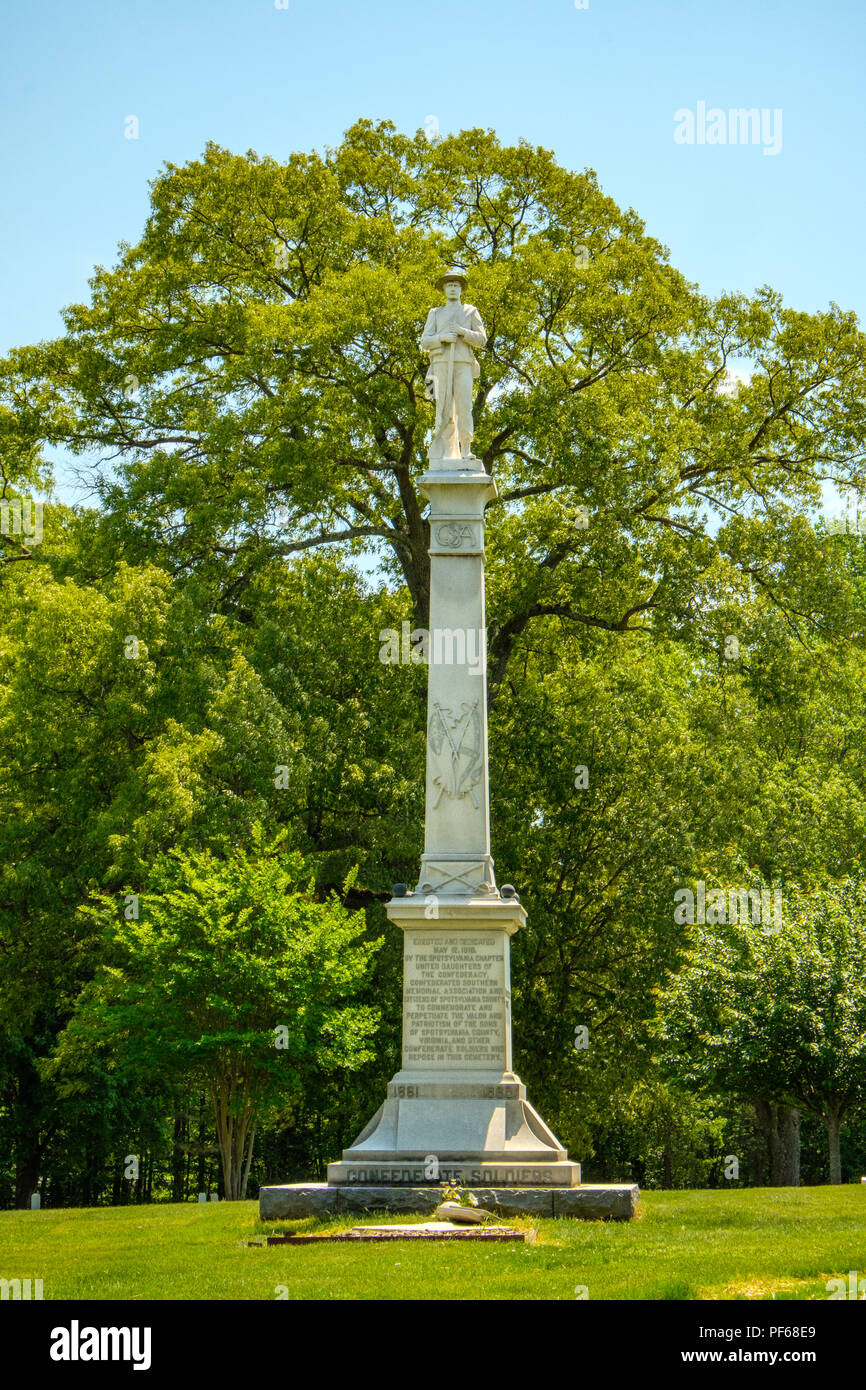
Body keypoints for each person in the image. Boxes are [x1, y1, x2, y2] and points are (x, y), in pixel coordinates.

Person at [420, 267, 487, 463]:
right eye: (449, 285)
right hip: (441, 362)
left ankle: (466, 447)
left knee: (464, 406)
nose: (452, 288)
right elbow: (425, 340)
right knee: (443, 407)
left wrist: (462, 332)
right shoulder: (435, 313)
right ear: (443, 289)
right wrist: (442, 337)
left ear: (461, 289)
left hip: (463, 363)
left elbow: (482, 339)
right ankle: (446, 449)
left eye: (456, 285)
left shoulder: (470, 311)